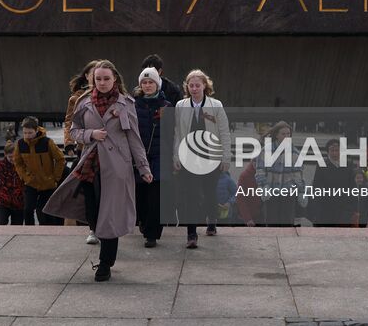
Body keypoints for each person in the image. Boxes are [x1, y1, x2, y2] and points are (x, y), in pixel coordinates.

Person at [45, 60, 153, 282]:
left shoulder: (126, 104)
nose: (102, 83)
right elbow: (74, 131)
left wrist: (143, 167)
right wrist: (91, 134)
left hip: (117, 167)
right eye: (98, 79)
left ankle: (105, 264)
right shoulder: (83, 102)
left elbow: (135, 138)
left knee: (109, 217)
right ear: (92, 80)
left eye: (106, 79)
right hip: (90, 165)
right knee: (94, 214)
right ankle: (99, 236)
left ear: (115, 79)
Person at [173, 68, 231, 248]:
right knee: (191, 195)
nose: (194, 88)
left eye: (198, 85)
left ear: (205, 86)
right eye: (191, 85)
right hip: (189, 156)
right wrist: (176, 156)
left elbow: (224, 132)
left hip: (210, 155)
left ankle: (212, 220)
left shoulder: (216, 105)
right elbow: (177, 132)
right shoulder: (181, 106)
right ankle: (191, 234)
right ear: (187, 87)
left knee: (209, 192)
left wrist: (226, 157)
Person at [133, 66, 171, 246]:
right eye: (144, 82)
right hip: (140, 158)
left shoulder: (166, 106)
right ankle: (143, 221)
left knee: (157, 198)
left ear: (157, 84)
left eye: (151, 82)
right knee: (141, 196)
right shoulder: (133, 105)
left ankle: (152, 234)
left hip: (160, 156)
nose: (147, 85)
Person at [236, 121, 301, 227]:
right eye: (283, 134)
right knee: (272, 222)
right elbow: (260, 171)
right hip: (271, 192)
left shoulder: (295, 152)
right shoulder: (266, 151)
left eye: (288, 134)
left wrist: (300, 190)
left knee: (287, 223)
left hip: (288, 192)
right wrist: (263, 187)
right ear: (276, 135)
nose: (286, 136)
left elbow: (298, 173)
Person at [61, 61, 98, 232]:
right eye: (93, 73)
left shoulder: (111, 96)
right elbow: (69, 122)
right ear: (87, 76)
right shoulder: (77, 98)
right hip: (84, 149)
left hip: (105, 149)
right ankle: (76, 225)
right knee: (76, 188)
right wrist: (69, 142)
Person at [13, 116, 64, 225]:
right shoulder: (20, 144)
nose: (27, 136)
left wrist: (55, 178)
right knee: (27, 210)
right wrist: (25, 177)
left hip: (47, 183)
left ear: (36, 130)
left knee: (43, 212)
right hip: (31, 182)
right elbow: (18, 162)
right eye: (25, 133)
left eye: (30, 133)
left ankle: (46, 232)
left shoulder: (47, 142)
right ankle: (29, 232)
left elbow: (60, 159)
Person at [0, 141, 26, 225]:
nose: (13, 159)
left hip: (19, 202)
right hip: (3, 201)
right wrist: (0, 193)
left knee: (17, 227)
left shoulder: (22, 164)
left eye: (14, 156)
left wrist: (22, 193)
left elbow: (26, 181)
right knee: (1, 225)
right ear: (5, 154)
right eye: (10, 157)